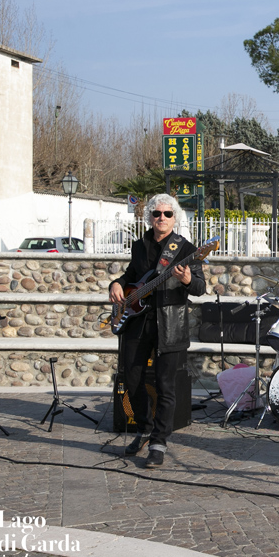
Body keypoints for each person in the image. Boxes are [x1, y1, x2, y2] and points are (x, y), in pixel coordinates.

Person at [109, 194, 206, 468]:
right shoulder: (140, 245)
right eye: (156, 214)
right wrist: (116, 284)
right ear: (149, 217)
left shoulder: (186, 248)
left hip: (170, 325)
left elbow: (200, 288)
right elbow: (130, 276)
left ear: (175, 218)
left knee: (165, 387)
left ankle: (158, 443)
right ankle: (143, 428)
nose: (161, 218)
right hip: (137, 323)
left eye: (167, 214)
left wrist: (187, 279)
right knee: (132, 379)